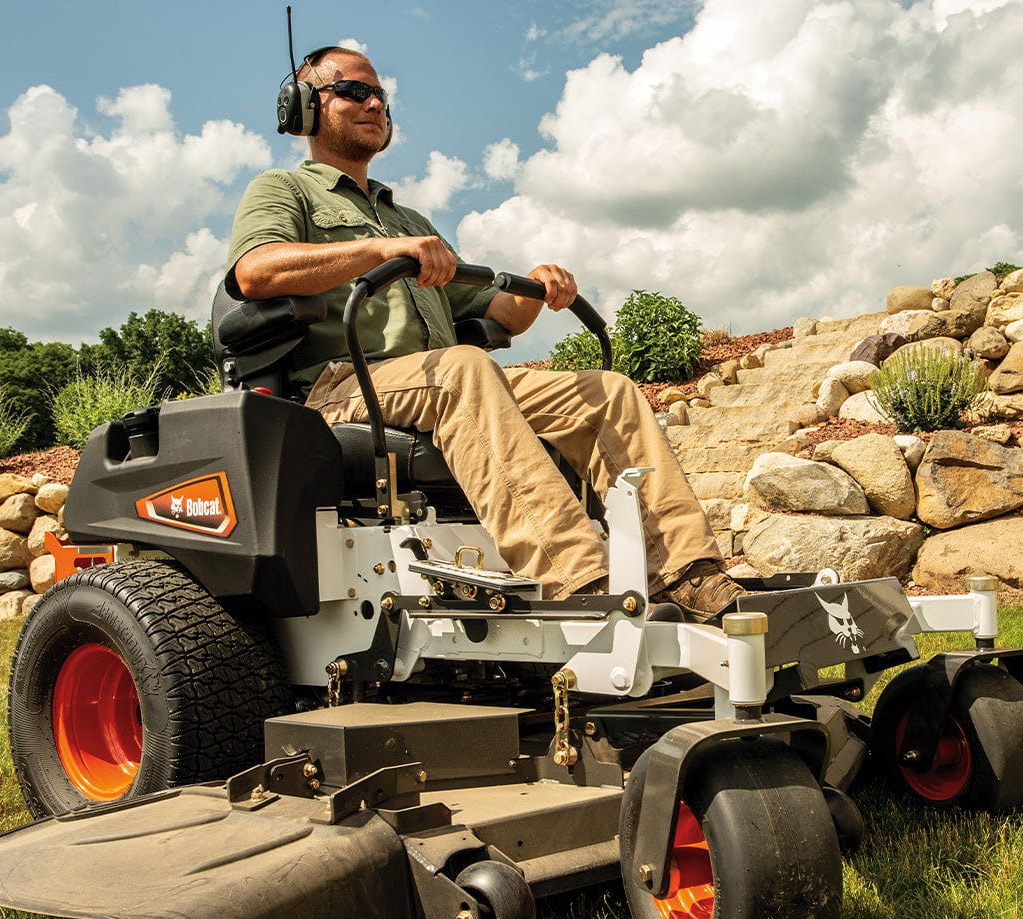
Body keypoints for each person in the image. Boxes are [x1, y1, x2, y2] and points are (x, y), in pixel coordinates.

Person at [226, 46, 743, 620]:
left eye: (381, 95)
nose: (374, 103)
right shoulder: (283, 190)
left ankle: (687, 573)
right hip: (340, 388)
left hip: (437, 383)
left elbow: (498, 315)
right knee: (465, 370)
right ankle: (574, 579)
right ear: (303, 106)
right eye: (354, 92)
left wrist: (538, 289)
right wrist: (378, 250)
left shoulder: (410, 222)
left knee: (608, 392)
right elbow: (255, 271)